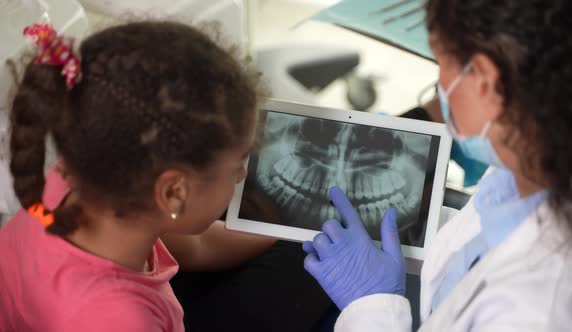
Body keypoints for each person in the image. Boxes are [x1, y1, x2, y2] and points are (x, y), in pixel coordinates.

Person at [0, 21, 332, 331]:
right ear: (173, 193)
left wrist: (282, 230)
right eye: (237, 165)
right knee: (310, 275)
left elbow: (197, 245)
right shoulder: (119, 320)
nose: (242, 173)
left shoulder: (86, 180)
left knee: (290, 246)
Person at [302, 0, 572, 331]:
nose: (439, 88)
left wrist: (370, 307)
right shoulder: (530, 165)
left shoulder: (535, 317)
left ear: (484, 81)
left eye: (441, 63)